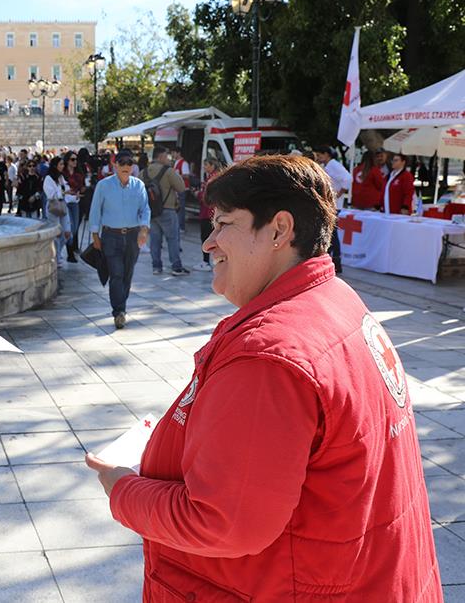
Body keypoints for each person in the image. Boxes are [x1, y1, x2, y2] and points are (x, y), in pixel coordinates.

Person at [86, 154, 441, 602]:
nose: (209, 243)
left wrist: (123, 490)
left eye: (224, 224)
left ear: (279, 230)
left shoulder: (268, 356)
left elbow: (222, 523)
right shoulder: (336, 299)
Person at [88, 152, 150, 329]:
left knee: (127, 274)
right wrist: (95, 235)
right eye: (122, 163)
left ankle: (121, 306)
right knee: (116, 274)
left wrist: (144, 229)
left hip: (132, 235)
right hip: (111, 236)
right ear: (115, 165)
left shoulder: (139, 186)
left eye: (129, 163)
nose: (126, 166)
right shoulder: (103, 186)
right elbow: (95, 210)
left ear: (133, 166)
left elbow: (145, 209)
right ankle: (119, 311)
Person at [145, 148, 189, 276]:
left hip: (151, 211)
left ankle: (156, 267)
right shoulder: (168, 171)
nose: (168, 159)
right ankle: (176, 266)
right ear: (161, 157)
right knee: (172, 239)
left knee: (154, 240)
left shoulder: (144, 172)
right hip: (168, 209)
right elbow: (181, 188)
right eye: (166, 156)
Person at [312, 146, 352, 273]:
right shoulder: (329, 165)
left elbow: (347, 179)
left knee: (332, 234)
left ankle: (336, 260)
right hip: (330, 203)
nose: (318, 158)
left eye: (320, 155)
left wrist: (340, 193)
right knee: (331, 233)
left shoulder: (334, 165)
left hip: (334, 204)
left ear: (327, 154)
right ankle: (332, 259)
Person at [191, 157, 223, 271]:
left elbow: (205, 197)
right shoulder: (218, 177)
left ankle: (206, 262)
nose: (204, 167)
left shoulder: (211, 180)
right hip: (214, 213)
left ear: (212, 165)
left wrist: (196, 193)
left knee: (206, 237)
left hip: (207, 213)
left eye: (206, 165)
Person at [43, 155, 72, 267]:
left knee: (67, 232)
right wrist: (63, 192)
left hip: (63, 205)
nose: (62, 166)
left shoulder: (61, 178)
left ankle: (58, 253)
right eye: (60, 164)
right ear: (55, 165)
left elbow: (67, 189)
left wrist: (72, 195)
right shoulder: (48, 179)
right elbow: (50, 195)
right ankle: (56, 256)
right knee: (56, 232)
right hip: (53, 206)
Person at [61, 151, 86, 261]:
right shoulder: (63, 174)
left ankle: (68, 247)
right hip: (66, 202)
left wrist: (81, 190)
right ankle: (69, 253)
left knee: (75, 228)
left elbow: (82, 186)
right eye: (72, 159)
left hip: (75, 202)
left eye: (76, 159)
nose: (75, 161)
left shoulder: (79, 174)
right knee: (69, 227)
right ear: (67, 161)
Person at [172, 148, 192, 232]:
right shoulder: (176, 162)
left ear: (178, 153)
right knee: (178, 208)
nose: (172, 155)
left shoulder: (184, 163)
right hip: (177, 188)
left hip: (182, 188)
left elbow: (186, 175)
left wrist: (176, 175)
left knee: (181, 208)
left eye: (174, 153)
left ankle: (181, 227)